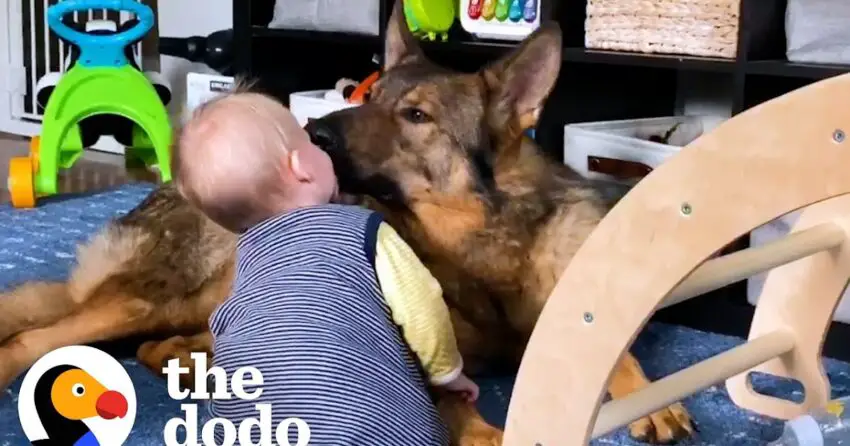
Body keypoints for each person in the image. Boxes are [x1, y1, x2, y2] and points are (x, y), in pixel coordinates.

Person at [173, 91, 479, 445]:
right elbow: (422, 306)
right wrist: (447, 374)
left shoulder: (250, 265)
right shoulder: (361, 231)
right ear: (301, 167)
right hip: (362, 432)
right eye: (311, 142)